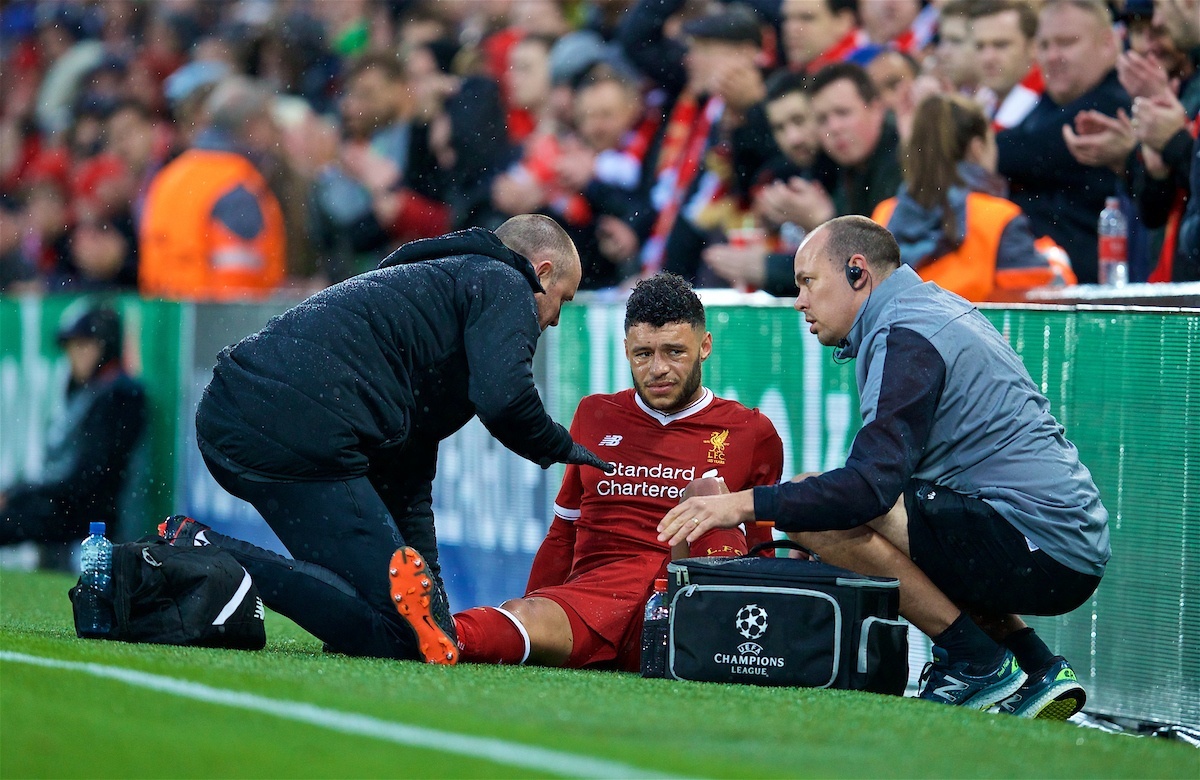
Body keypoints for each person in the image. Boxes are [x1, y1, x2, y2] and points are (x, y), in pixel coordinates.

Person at [659, 216, 1109, 719]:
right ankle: (1035, 666)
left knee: (821, 509)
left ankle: (974, 660)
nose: (799, 300)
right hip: (1056, 540)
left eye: (808, 281)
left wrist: (743, 505)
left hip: (1044, 547)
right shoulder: (926, 309)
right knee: (893, 514)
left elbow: (867, 490)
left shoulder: (906, 332)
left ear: (857, 272)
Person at [162, 215, 613, 666]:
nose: (555, 319)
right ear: (543, 272)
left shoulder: (438, 295)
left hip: (245, 413)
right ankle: (203, 547)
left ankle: (209, 554)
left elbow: (408, 477)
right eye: (562, 300)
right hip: (292, 425)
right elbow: (505, 400)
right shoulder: (503, 280)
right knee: (399, 635)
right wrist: (563, 447)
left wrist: (434, 595)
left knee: (393, 617)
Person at [428, 272, 783, 669]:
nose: (658, 369)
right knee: (523, 613)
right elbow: (563, 532)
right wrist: (538, 599)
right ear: (626, 349)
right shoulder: (595, 414)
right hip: (598, 599)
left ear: (705, 347)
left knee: (706, 495)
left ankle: (720, 649)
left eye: (674, 352)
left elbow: (759, 544)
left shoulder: (751, 432)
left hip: (686, 604)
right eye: (644, 354)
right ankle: (433, 633)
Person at [872, 93, 1074, 301]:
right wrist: (1055, 257)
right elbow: (1045, 301)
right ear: (978, 149)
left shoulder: (884, 214)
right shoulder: (998, 217)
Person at [0, 306, 145, 550]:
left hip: (94, 515)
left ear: (106, 346)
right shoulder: (88, 390)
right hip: (69, 503)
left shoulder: (120, 394)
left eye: (84, 346)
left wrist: (21, 494)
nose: (75, 357)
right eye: (72, 348)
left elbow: (90, 475)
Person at [138, 75, 287, 300]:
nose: (274, 133)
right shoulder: (236, 185)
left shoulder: (171, 176)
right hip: (215, 326)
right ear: (252, 126)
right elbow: (238, 286)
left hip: (167, 321)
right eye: (269, 123)